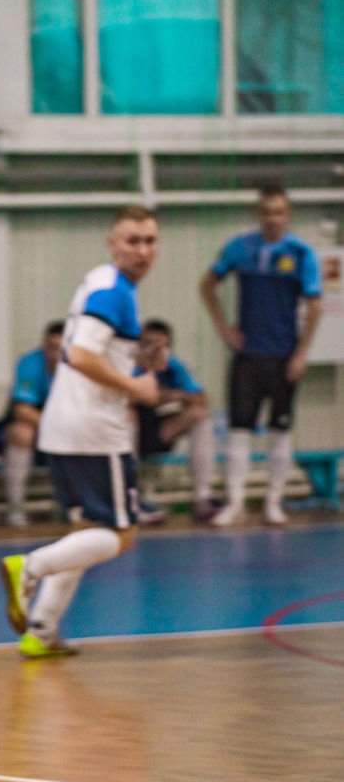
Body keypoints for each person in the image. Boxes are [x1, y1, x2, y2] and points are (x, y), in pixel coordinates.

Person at [0, 206, 162, 659]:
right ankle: (30, 567)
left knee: (85, 532)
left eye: (150, 241)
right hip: (95, 431)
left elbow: (95, 349)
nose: (142, 250)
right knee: (122, 535)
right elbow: (81, 356)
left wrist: (140, 361)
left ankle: (42, 628)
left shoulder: (100, 282)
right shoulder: (115, 292)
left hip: (63, 426)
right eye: (132, 240)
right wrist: (136, 387)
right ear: (112, 243)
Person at [199, 183, 323, 526]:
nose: (273, 219)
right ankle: (236, 502)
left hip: (283, 355)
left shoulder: (301, 254)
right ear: (258, 214)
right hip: (248, 356)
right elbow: (207, 285)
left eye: (279, 212)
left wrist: (301, 353)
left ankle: (273, 502)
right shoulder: (239, 248)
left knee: (280, 430)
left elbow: (314, 305)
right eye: (267, 212)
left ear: (288, 214)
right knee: (239, 429)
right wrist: (224, 327)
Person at [132, 318, 215, 524]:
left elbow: (201, 398)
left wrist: (178, 396)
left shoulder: (174, 366)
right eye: (149, 344)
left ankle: (202, 498)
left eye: (161, 346)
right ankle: (131, 500)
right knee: (128, 417)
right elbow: (129, 398)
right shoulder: (130, 367)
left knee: (200, 415)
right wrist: (162, 396)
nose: (155, 351)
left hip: (157, 433)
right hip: (128, 436)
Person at [0, 320, 64, 527]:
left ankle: (72, 504)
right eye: (51, 348)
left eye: (61, 349)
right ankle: (16, 507)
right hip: (33, 429)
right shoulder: (29, 363)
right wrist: (55, 427)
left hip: (62, 430)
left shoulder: (81, 366)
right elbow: (22, 409)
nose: (55, 355)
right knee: (22, 433)